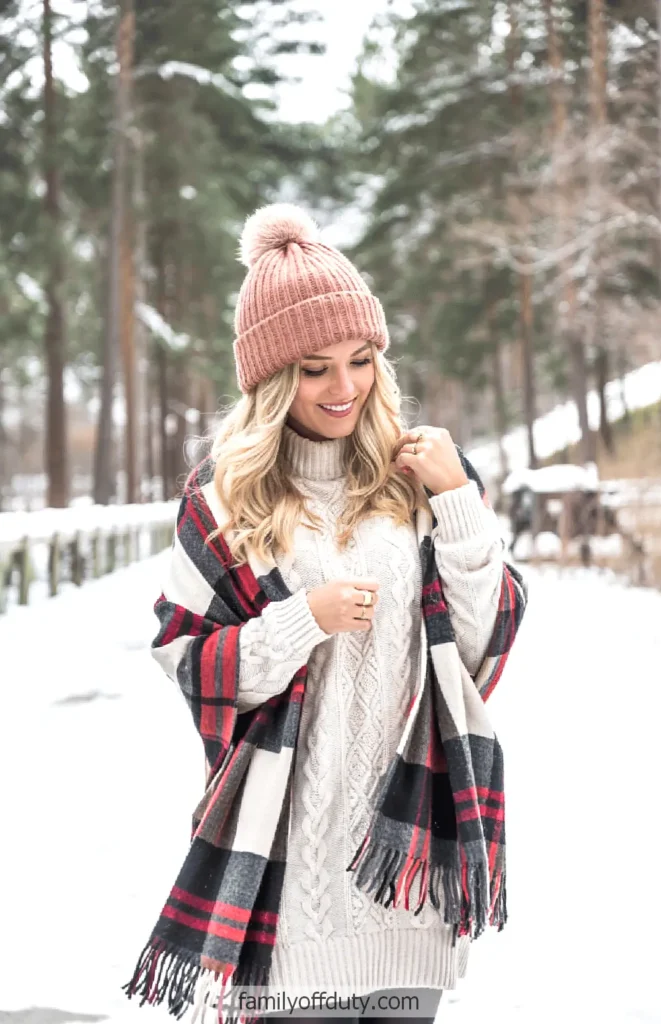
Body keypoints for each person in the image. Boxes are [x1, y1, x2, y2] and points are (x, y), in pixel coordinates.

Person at [124, 204, 527, 1024]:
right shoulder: (222, 501)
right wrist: (299, 619)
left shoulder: (424, 478)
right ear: (271, 379)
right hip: (288, 875)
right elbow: (190, 663)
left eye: (360, 360)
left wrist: (458, 503)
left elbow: (481, 648)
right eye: (314, 369)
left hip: (407, 865)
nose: (344, 388)